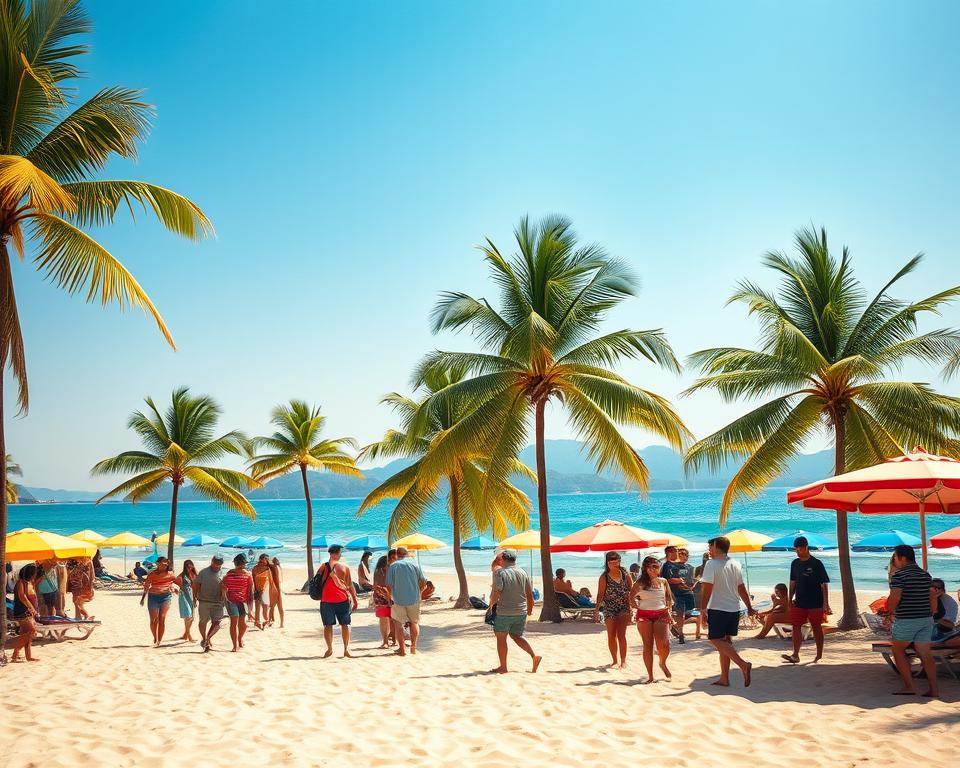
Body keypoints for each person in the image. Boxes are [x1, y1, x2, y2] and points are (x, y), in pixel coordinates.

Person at [699, 536, 756, 687]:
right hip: (733, 609)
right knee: (726, 643)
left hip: (718, 608)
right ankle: (724, 678)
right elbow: (741, 587)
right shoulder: (735, 563)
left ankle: (743, 665)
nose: (709, 550)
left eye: (710, 546)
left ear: (717, 546)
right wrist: (749, 606)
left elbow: (707, 589)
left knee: (715, 639)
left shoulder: (711, 564)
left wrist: (703, 609)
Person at [886, 544, 938, 697]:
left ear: (902, 558)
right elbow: (931, 597)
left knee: (898, 650)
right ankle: (934, 690)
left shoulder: (899, 576)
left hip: (907, 619)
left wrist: (889, 612)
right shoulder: (925, 575)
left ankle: (909, 686)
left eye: (895, 557)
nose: (894, 560)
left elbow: (895, 597)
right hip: (926, 619)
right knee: (925, 654)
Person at [489, 549, 541, 673]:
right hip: (521, 611)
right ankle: (534, 656)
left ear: (503, 560)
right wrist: (529, 611)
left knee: (501, 638)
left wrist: (491, 606)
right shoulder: (523, 572)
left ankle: (503, 667)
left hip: (505, 611)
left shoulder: (500, 573)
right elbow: (529, 594)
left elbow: (497, 592)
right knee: (517, 636)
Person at [781, 536, 831, 664]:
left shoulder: (817, 563)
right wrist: (789, 599)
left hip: (815, 602)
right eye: (796, 549)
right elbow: (792, 582)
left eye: (800, 549)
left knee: (816, 627)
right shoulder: (795, 563)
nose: (798, 551)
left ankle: (819, 655)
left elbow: (824, 584)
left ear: (806, 547)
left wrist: (826, 603)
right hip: (799, 601)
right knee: (796, 626)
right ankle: (795, 655)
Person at [630, 556, 673, 682]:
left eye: (657, 566)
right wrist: (635, 607)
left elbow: (669, 598)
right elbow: (631, 598)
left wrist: (669, 610)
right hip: (644, 615)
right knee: (647, 645)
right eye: (651, 567)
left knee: (664, 645)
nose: (654, 569)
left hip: (661, 613)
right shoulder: (639, 583)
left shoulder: (663, 581)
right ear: (645, 568)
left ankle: (662, 663)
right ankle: (650, 676)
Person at [318, 544, 358, 658]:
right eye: (340, 553)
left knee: (328, 625)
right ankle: (346, 649)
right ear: (336, 553)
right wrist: (355, 599)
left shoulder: (323, 567)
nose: (340, 555)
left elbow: (317, 583)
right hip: (342, 599)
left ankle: (330, 649)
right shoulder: (345, 567)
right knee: (345, 624)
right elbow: (350, 585)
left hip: (326, 600)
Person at [385, 547, 426, 656]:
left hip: (398, 600)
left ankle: (402, 650)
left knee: (398, 625)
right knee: (414, 623)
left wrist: (390, 597)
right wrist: (419, 592)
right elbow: (423, 581)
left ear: (397, 555)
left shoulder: (393, 566)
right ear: (406, 554)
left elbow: (388, 585)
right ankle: (413, 647)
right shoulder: (415, 565)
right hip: (414, 599)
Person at [595, 551, 633, 669]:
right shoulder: (604, 577)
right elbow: (600, 594)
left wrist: (632, 606)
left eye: (616, 561)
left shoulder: (625, 573)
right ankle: (614, 660)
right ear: (607, 563)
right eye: (611, 562)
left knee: (621, 635)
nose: (614, 564)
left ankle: (623, 661)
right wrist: (596, 610)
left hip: (624, 607)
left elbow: (631, 590)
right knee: (611, 635)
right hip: (609, 607)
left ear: (619, 561)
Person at [140, 556, 181, 647]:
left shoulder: (170, 574)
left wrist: (176, 589)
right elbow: (146, 586)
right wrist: (143, 598)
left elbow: (179, 583)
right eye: (164, 562)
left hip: (165, 597)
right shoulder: (152, 574)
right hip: (153, 597)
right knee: (153, 620)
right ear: (158, 563)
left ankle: (159, 641)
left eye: (167, 562)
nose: (166, 564)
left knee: (162, 619)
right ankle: (155, 637)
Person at [222, 553, 254, 652]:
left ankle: (239, 640)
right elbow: (250, 593)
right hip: (235, 602)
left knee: (238, 624)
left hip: (234, 601)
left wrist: (224, 599)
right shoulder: (248, 576)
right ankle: (235, 645)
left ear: (235, 563)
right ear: (244, 563)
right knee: (238, 623)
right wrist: (250, 608)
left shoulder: (228, 575)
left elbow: (223, 587)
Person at [664, 547, 696, 643]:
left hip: (689, 593)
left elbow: (691, 579)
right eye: (682, 554)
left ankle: (675, 625)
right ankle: (681, 634)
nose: (685, 557)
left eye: (687, 555)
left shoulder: (690, 567)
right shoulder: (671, 566)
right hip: (677, 593)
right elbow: (667, 579)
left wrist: (693, 585)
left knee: (690, 612)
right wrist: (678, 581)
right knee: (681, 614)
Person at [195, 554, 226, 652]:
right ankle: (204, 638)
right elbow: (196, 585)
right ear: (212, 561)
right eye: (216, 562)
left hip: (218, 601)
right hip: (204, 601)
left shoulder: (224, 573)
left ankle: (207, 639)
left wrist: (224, 598)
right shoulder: (203, 572)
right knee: (203, 622)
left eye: (219, 563)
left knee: (217, 623)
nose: (217, 565)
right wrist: (195, 598)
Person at [10, 564, 40, 662]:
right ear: (30, 574)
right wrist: (32, 609)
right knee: (32, 631)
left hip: (27, 611)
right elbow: (22, 597)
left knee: (27, 634)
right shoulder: (20, 583)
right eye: (34, 574)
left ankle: (28, 656)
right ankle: (15, 655)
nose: (34, 576)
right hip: (22, 611)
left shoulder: (28, 583)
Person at [372, 555, 393, 648]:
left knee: (392, 619)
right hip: (381, 597)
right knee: (384, 619)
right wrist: (385, 594)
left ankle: (393, 640)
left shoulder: (392, 571)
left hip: (390, 596)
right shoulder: (378, 572)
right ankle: (385, 640)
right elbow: (376, 586)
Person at [251, 554, 275, 630]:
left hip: (257, 589)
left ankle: (258, 622)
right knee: (265, 607)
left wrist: (256, 589)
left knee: (258, 607)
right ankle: (266, 621)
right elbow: (271, 582)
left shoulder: (254, 568)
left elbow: (254, 580)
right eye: (267, 559)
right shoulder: (267, 569)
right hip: (264, 590)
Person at [931, 578, 958, 642]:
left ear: (943, 590)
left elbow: (951, 625)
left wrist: (935, 620)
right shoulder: (925, 598)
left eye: (938, 588)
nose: (936, 590)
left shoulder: (950, 602)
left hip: (941, 630)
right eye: (933, 587)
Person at [177, 560, 197, 642]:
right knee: (188, 616)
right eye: (187, 566)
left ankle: (185, 634)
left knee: (192, 617)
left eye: (190, 566)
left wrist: (195, 598)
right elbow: (175, 581)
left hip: (192, 597)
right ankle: (189, 636)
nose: (189, 568)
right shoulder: (182, 575)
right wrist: (177, 589)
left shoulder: (194, 575)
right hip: (184, 596)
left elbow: (196, 587)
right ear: (184, 567)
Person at [268, 557, 284, 628]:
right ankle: (281, 624)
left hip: (274, 589)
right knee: (279, 607)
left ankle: (270, 621)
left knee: (272, 607)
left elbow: (268, 564)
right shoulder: (278, 567)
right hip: (278, 589)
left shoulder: (273, 567)